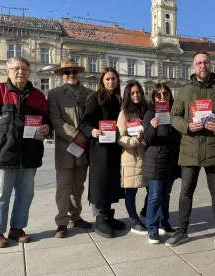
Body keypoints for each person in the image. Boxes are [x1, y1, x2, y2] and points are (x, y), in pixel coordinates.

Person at [0, 57, 51, 248]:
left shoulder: (38, 96)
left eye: (24, 68)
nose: (20, 72)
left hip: (29, 154)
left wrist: (48, 127)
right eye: (15, 68)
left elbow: (47, 121)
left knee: (25, 194)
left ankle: (17, 228)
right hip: (1, 154)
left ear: (30, 72)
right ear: (7, 72)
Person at [166, 51, 215, 252]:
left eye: (205, 62)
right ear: (193, 66)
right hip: (190, 148)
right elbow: (174, 116)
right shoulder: (184, 91)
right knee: (186, 191)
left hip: (214, 148)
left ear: (210, 65)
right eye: (198, 63)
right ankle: (182, 230)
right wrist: (188, 126)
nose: (202, 66)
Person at [48, 58, 94, 238]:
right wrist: (75, 134)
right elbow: (56, 120)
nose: (71, 75)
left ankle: (76, 216)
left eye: (74, 71)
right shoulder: (54, 94)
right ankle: (61, 222)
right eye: (67, 72)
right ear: (62, 75)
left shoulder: (89, 93)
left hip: (83, 147)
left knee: (79, 185)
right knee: (64, 186)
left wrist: (87, 134)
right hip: (65, 146)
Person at [80, 67, 125, 239]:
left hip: (114, 146)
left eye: (113, 79)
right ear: (102, 81)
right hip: (99, 147)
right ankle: (100, 218)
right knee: (100, 181)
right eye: (107, 79)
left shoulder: (119, 99)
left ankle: (109, 216)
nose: (110, 82)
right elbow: (85, 122)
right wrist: (92, 131)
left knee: (112, 181)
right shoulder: (95, 98)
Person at [142, 83, 181, 244]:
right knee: (155, 195)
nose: (163, 97)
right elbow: (146, 139)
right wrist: (152, 126)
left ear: (170, 95)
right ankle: (152, 227)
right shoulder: (150, 113)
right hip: (155, 159)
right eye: (158, 95)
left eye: (165, 94)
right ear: (153, 98)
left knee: (166, 195)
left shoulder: (175, 113)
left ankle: (164, 222)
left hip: (171, 160)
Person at [117, 81, 149, 235]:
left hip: (148, 156)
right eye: (133, 93)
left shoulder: (147, 110)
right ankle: (134, 220)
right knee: (131, 191)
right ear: (128, 95)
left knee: (153, 189)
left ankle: (145, 211)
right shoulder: (124, 113)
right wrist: (135, 140)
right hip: (131, 157)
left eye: (139, 92)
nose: (136, 95)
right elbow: (120, 138)